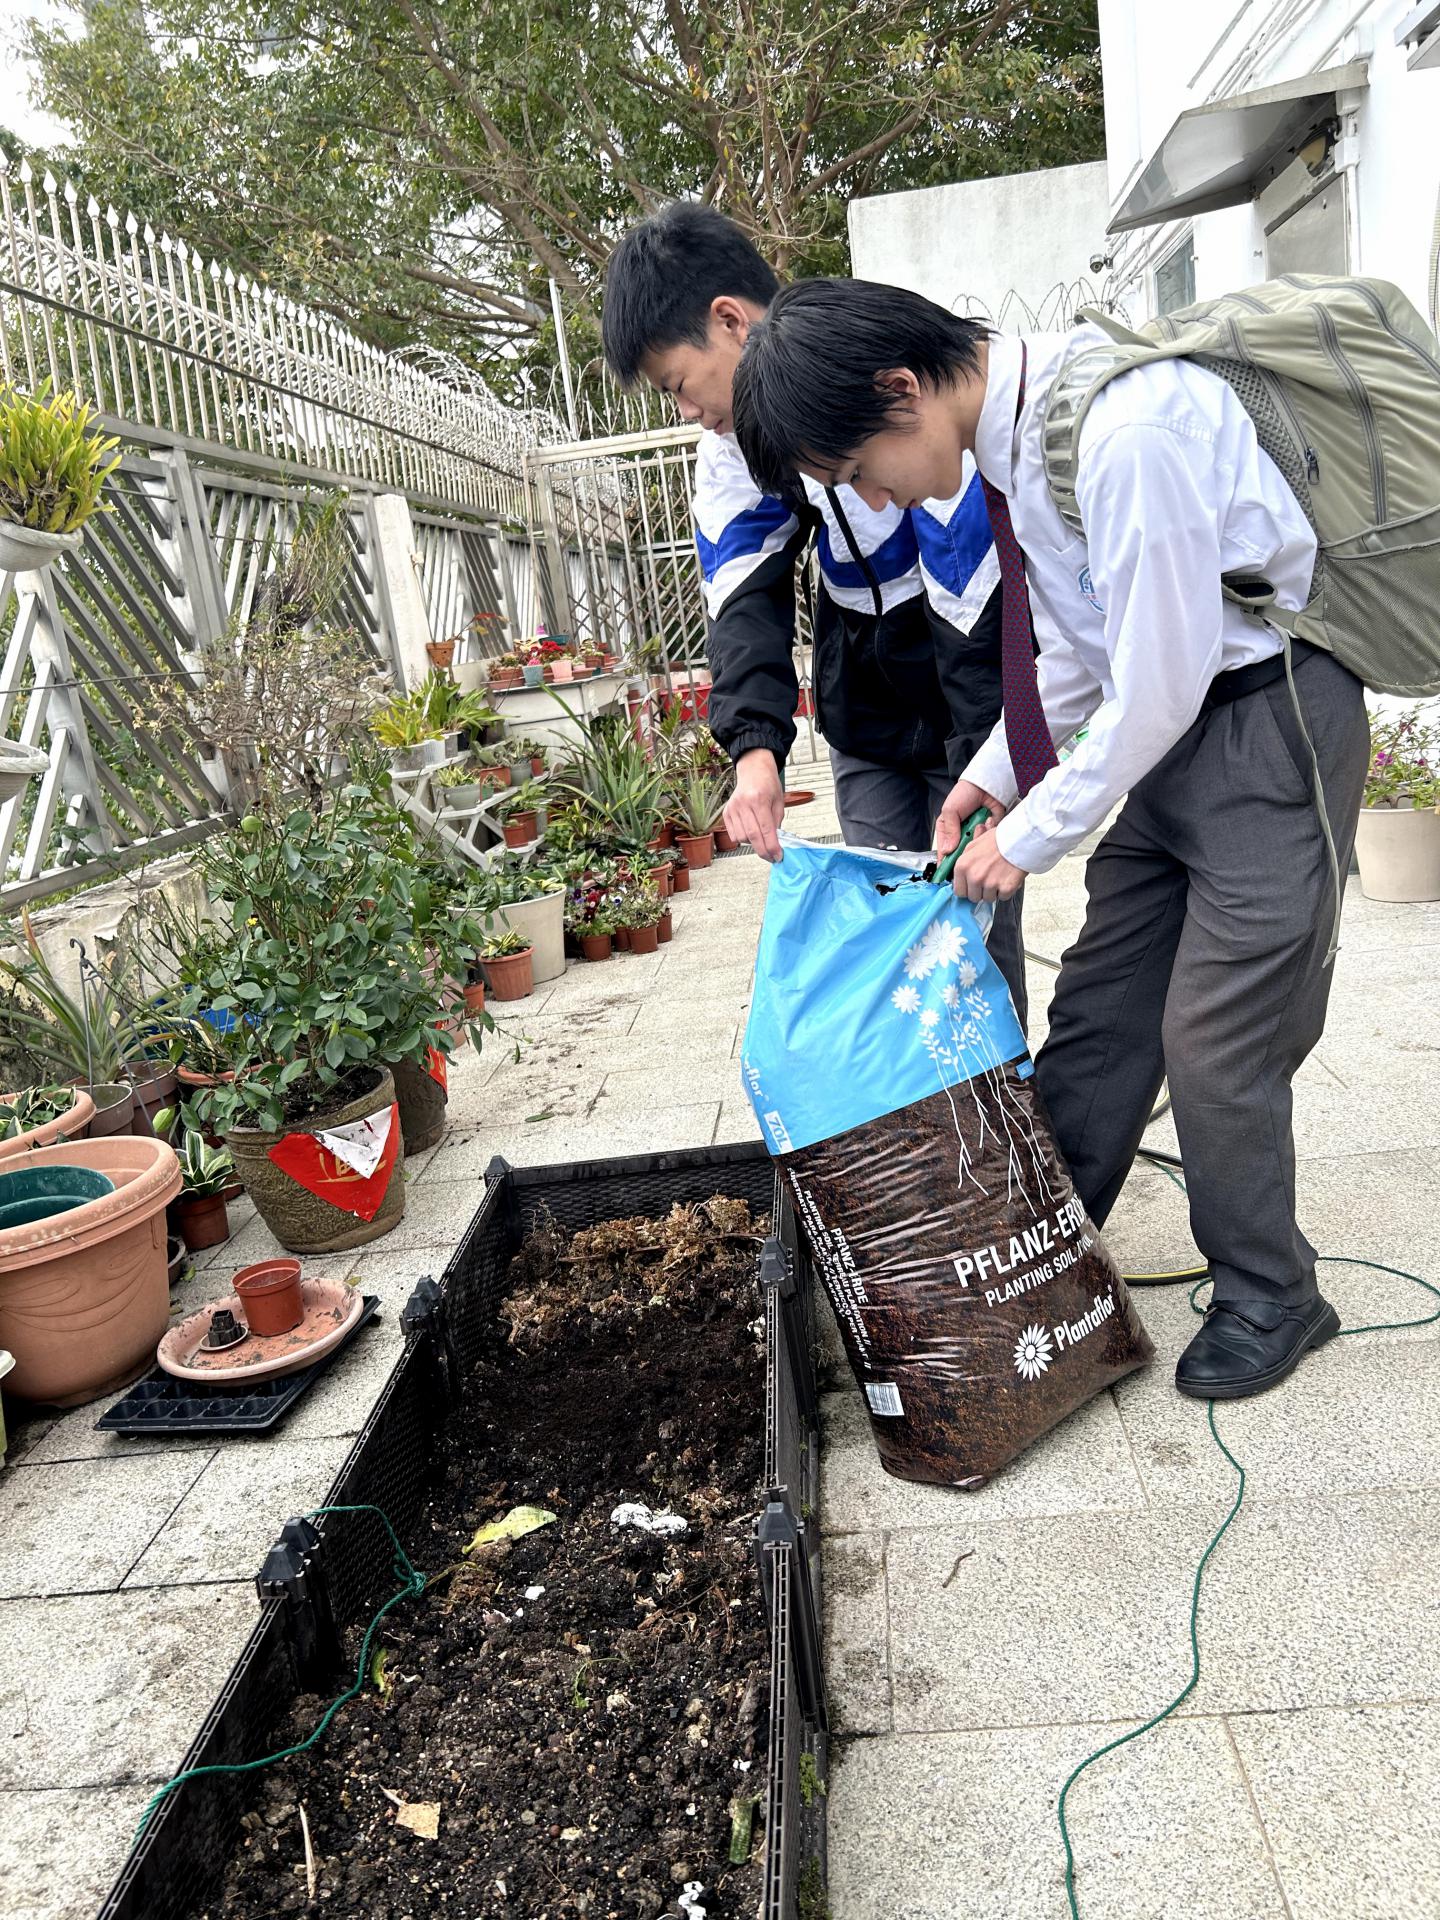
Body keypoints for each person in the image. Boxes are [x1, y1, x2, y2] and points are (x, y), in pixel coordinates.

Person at [731, 277, 1370, 1403]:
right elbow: (1081, 649)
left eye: (860, 470)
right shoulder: (1024, 443)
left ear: (903, 390)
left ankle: (1274, 1292)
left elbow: (1163, 672)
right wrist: (992, 777)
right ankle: (1040, 1254)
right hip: (1169, 742)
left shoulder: (1128, 430)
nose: (875, 499)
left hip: (1268, 725)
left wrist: (1030, 835)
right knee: (1101, 1009)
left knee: (1216, 1036)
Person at [600, 204, 1028, 1024]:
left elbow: (973, 600)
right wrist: (755, 751)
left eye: (677, 384)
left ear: (730, 321)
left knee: (971, 933)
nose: (685, 411)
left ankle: (998, 1094)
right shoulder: (729, 448)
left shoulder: (876, 379)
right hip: (863, 705)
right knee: (875, 929)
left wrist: (991, 774)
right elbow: (744, 596)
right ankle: (897, 1100)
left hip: (963, 698)